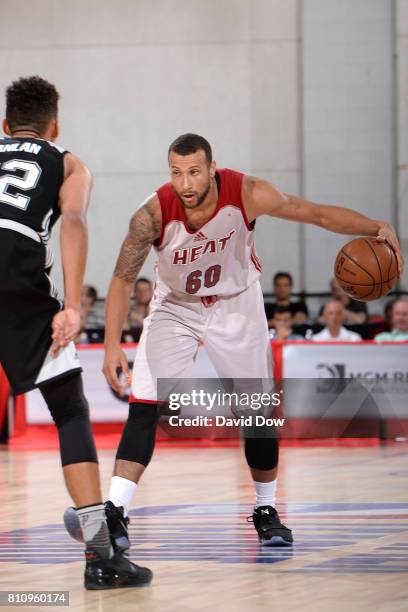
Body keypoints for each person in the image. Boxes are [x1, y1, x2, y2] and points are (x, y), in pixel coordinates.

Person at [99, 132, 402, 551]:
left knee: (256, 413)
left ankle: (266, 509)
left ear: (211, 168)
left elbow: (314, 214)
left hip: (236, 303)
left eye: (193, 172)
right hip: (177, 306)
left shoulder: (249, 193)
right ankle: (115, 510)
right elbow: (121, 279)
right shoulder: (151, 215)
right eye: (175, 173)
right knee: (146, 400)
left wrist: (375, 226)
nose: (184, 183)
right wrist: (113, 345)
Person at [0, 76, 151, 589]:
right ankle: (99, 555)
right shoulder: (67, 162)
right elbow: (74, 220)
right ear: (54, 125)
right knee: (68, 409)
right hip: (18, 278)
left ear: (5, 125)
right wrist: (69, 304)